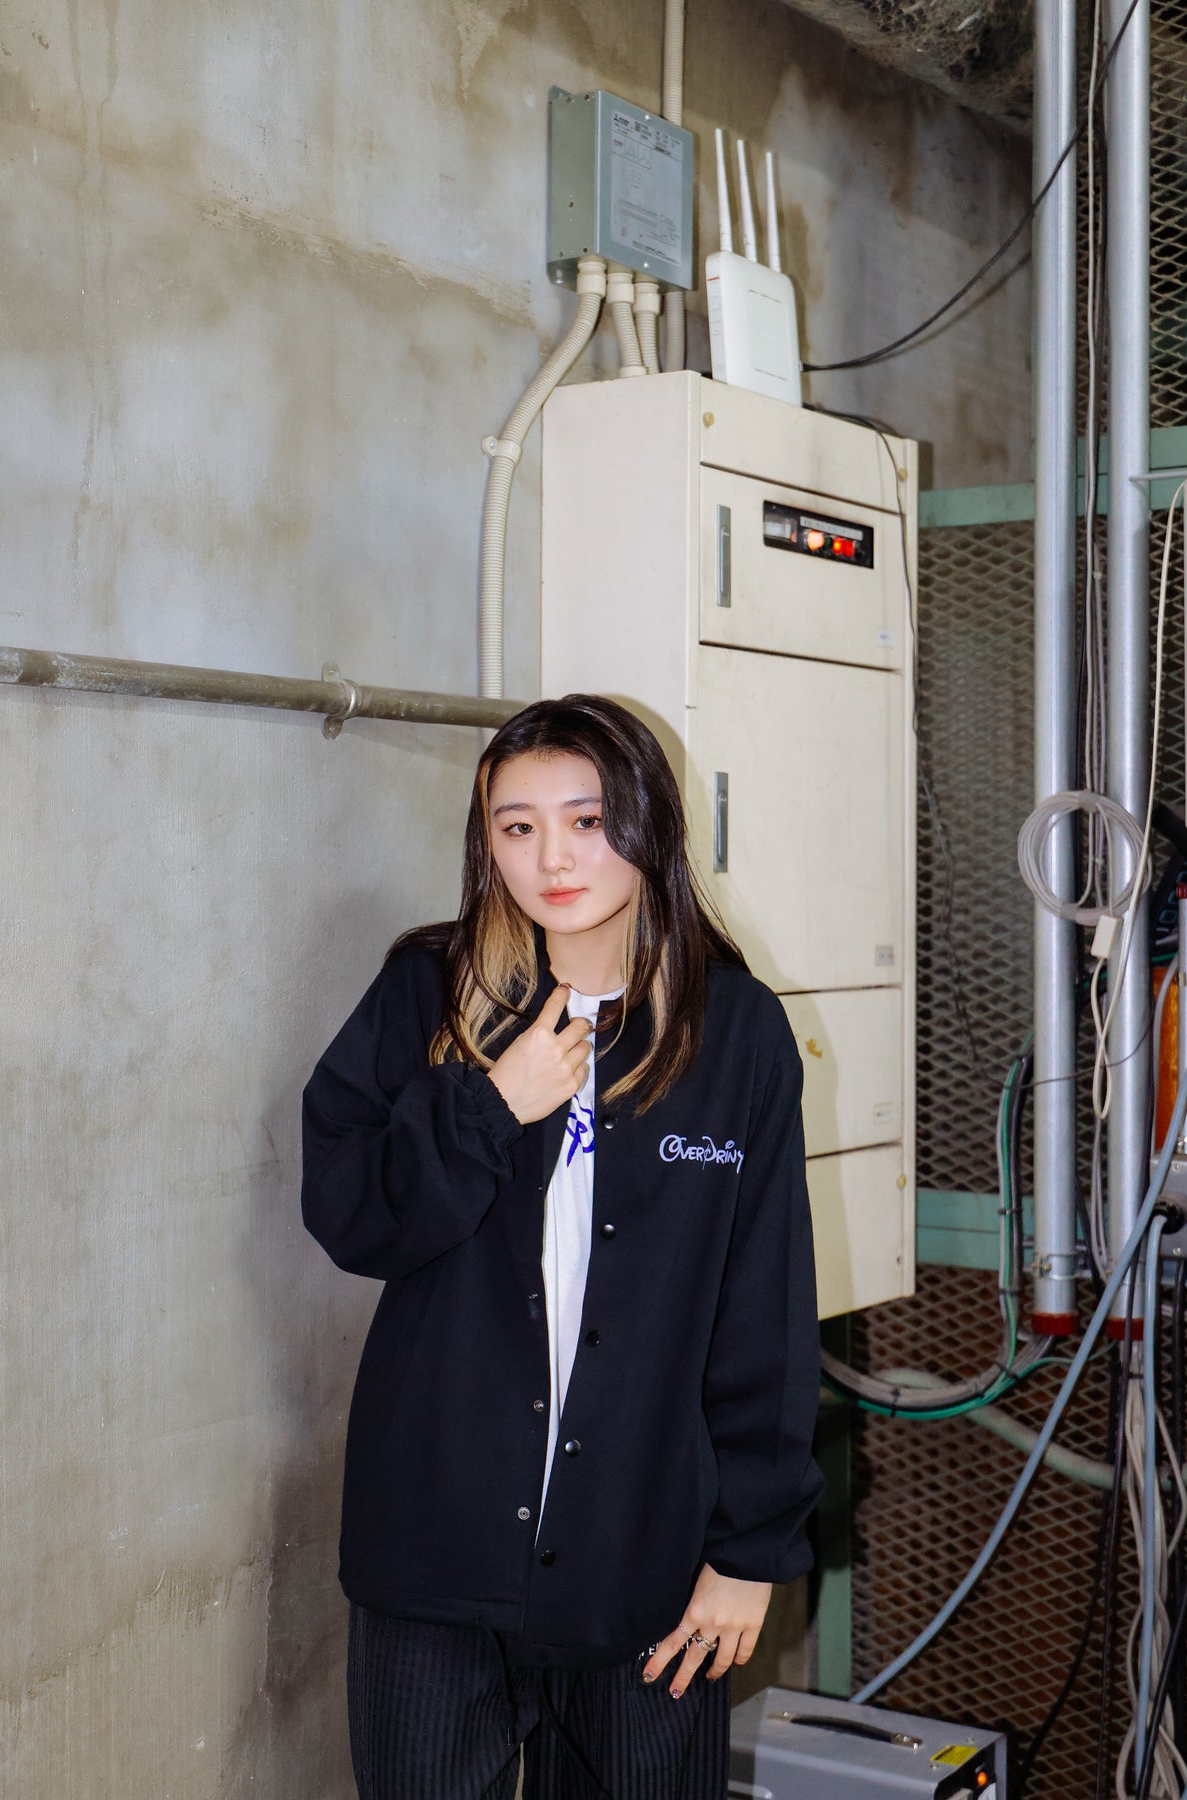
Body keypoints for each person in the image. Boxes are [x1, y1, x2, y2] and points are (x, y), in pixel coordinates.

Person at [302, 693, 822, 1799]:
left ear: (647, 823)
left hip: (645, 1565)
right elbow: (349, 1217)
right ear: (485, 842)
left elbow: (765, 1311)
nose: (553, 858)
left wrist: (749, 1555)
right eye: (518, 826)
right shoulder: (426, 992)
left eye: (587, 821)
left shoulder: (736, 1032)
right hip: (435, 1554)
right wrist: (492, 1105)